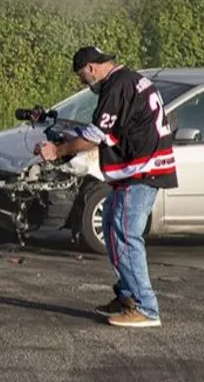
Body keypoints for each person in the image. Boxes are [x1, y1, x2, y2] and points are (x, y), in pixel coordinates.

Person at [37, 46, 177, 328]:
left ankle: (146, 307)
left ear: (90, 68)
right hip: (138, 169)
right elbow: (112, 130)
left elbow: (96, 135)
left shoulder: (116, 86)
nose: (82, 83)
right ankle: (126, 295)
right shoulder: (129, 80)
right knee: (114, 230)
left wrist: (59, 150)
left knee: (126, 235)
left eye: (80, 76)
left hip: (141, 170)